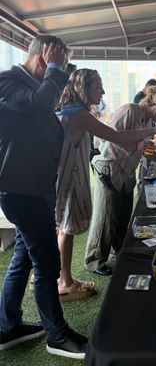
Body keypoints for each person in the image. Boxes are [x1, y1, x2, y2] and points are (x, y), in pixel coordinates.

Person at [0, 35, 87, 359]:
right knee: (47, 262)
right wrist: (55, 70)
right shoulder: (8, 82)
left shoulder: (30, 87)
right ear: (42, 59)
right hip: (21, 191)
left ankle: (8, 327)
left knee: (22, 261)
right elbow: (40, 104)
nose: (60, 75)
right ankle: (57, 335)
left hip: (33, 188)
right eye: (58, 66)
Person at [55, 69, 156, 300]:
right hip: (104, 168)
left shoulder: (142, 118)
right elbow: (112, 136)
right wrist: (149, 136)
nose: (103, 91)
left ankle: (112, 253)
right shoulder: (125, 110)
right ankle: (90, 262)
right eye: (98, 87)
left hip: (117, 171)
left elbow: (136, 144)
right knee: (102, 217)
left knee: (119, 213)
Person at [84, 92, 156, 275]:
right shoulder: (129, 110)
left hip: (126, 171)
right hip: (109, 165)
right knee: (106, 216)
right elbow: (110, 135)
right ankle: (94, 260)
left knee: (123, 214)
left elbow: (145, 150)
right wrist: (136, 146)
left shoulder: (148, 123)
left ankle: (119, 250)